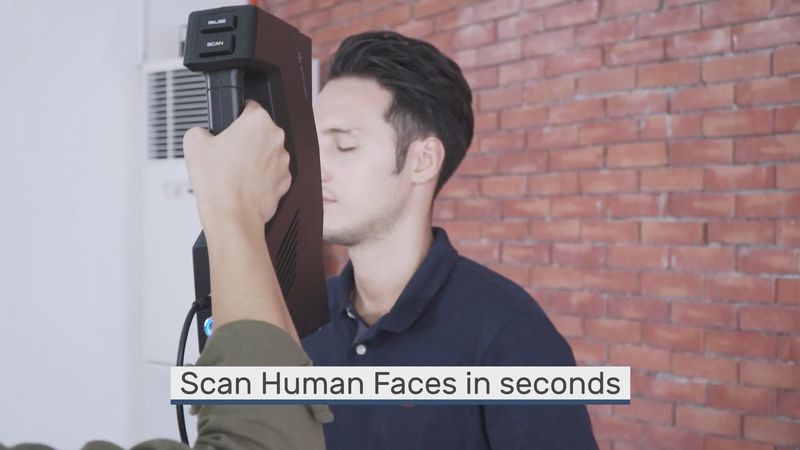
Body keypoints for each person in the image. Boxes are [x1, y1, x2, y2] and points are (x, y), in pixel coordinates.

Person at [302, 31, 598, 449]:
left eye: (343, 145)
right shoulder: (301, 318)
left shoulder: (508, 335)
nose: (314, 166)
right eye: (311, 143)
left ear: (423, 161)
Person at [2, 101, 331, 450]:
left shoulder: (303, 320)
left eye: (346, 145)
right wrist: (233, 204)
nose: (324, 168)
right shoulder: (312, 318)